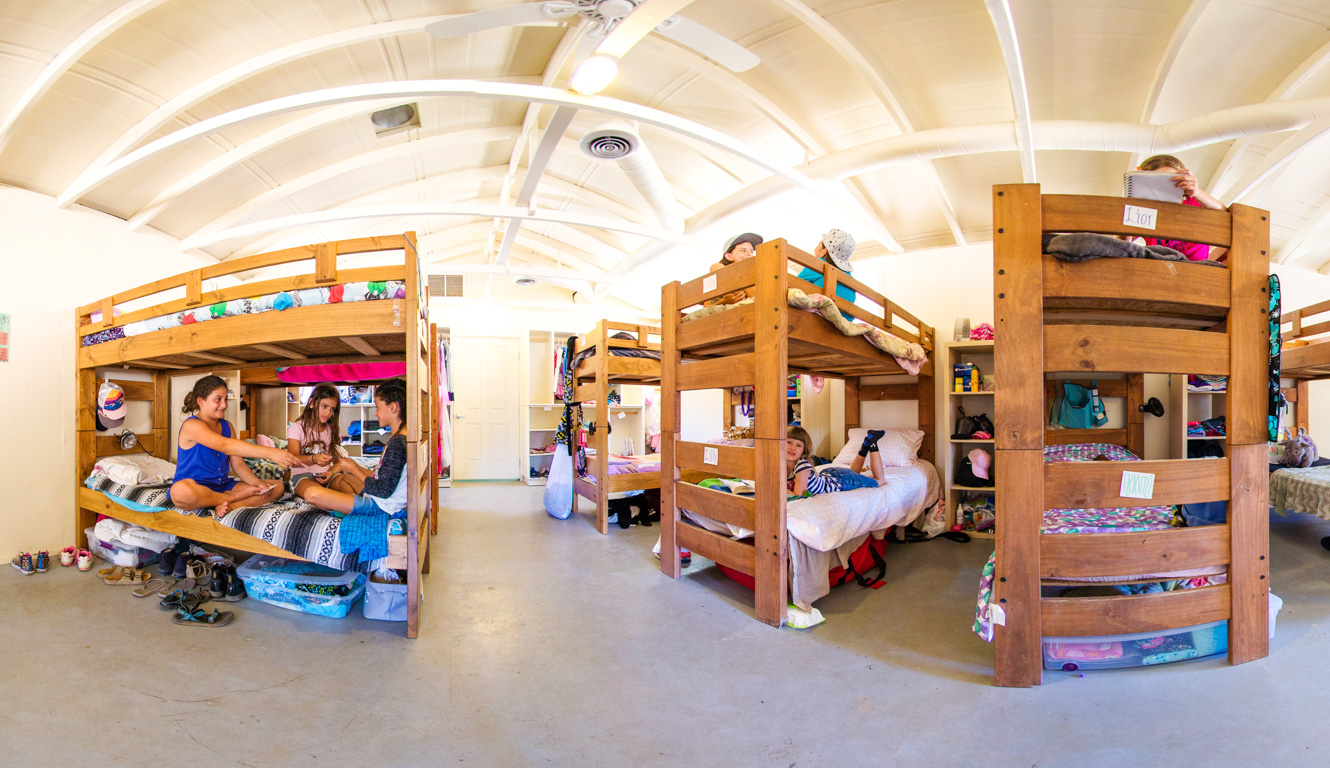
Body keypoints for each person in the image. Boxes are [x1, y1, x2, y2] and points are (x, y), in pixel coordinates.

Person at [169, 375, 299, 517]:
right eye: (218, 399)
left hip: (222, 486)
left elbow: (238, 465)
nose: (224, 405)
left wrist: (258, 484)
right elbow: (225, 445)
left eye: (225, 399)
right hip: (196, 487)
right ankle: (231, 499)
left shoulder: (227, 426)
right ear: (201, 401)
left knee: (278, 487)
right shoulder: (192, 425)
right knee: (180, 492)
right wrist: (272, 453)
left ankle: (231, 506)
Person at [301, 379, 409, 519]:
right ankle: (348, 504)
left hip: (380, 507)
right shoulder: (403, 438)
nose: (376, 413)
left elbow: (382, 490)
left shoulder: (397, 444)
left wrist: (354, 470)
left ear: (393, 408)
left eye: (377, 407)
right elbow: (382, 478)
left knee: (311, 494)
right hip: (385, 501)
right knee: (345, 478)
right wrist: (353, 465)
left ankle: (349, 508)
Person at [1136, 154, 1227, 262]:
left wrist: (1197, 192)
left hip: (1195, 269)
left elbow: (1222, 211)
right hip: (1160, 268)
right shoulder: (1147, 211)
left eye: (1171, 180)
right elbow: (1124, 241)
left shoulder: (1194, 202)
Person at [786, 425, 887, 497]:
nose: (792, 447)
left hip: (840, 481)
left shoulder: (802, 465)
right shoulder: (780, 463)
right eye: (789, 442)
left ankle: (872, 442)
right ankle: (865, 446)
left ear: (804, 450)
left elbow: (799, 496)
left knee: (879, 480)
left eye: (798, 445)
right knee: (854, 474)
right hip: (830, 475)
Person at [287, 383, 342, 500]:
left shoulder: (331, 430)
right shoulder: (296, 427)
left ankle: (354, 505)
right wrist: (313, 459)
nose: (328, 412)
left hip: (325, 476)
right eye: (324, 406)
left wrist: (331, 473)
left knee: (348, 482)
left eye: (332, 409)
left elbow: (338, 462)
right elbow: (293, 460)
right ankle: (342, 504)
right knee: (315, 492)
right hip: (302, 477)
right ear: (312, 403)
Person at [796, 228, 858, 321]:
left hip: (818, 318)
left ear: (824, 251)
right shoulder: (850, 280)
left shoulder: (818, 264)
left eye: (819, 243)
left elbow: (791, 286)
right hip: (840, 322)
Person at [704, 232, 763, 307]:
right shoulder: (717, 268)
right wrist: (723, 302)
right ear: (729, 256)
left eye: (751, 251)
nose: (749, 254)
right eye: (743, 250)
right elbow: (705, 308)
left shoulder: (754, 276)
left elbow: (759, 299)